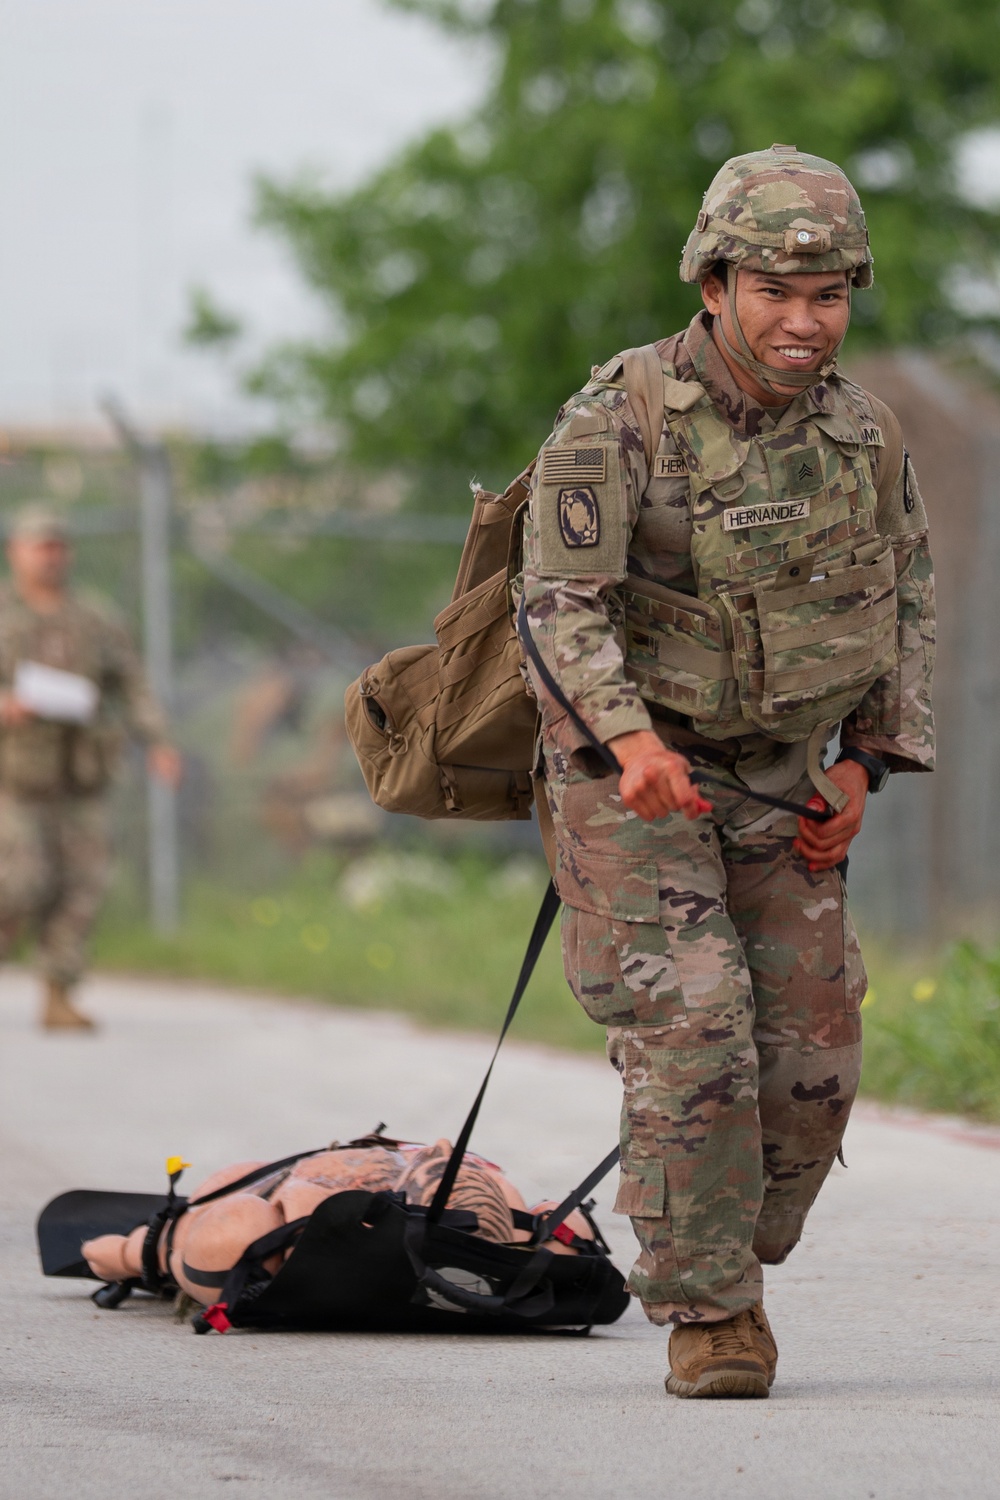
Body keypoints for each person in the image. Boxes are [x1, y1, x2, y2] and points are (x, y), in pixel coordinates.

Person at [520, 144, 935, 1399]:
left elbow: (905, 596)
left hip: (783, 774)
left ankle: (716, 1228)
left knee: (811, 1068)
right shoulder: (618, 418)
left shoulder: (862, 432)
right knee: (695, 1030)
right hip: (629, 771)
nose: (804, 321)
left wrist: (867, 764)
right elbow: (556, 605)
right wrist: (629, 744)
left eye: (829, 295)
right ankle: (713, 1317)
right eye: (774, 291)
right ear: (712, 282)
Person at [0, 505, 181, 1029]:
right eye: (40, 546)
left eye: (58, 546)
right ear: (16, 552)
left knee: (84, 883)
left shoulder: (96, 619)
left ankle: (59, 992)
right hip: (15, 776)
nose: (50, 556)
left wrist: (160, 743)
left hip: (82, 776)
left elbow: (132, 685)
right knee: (21, 881)